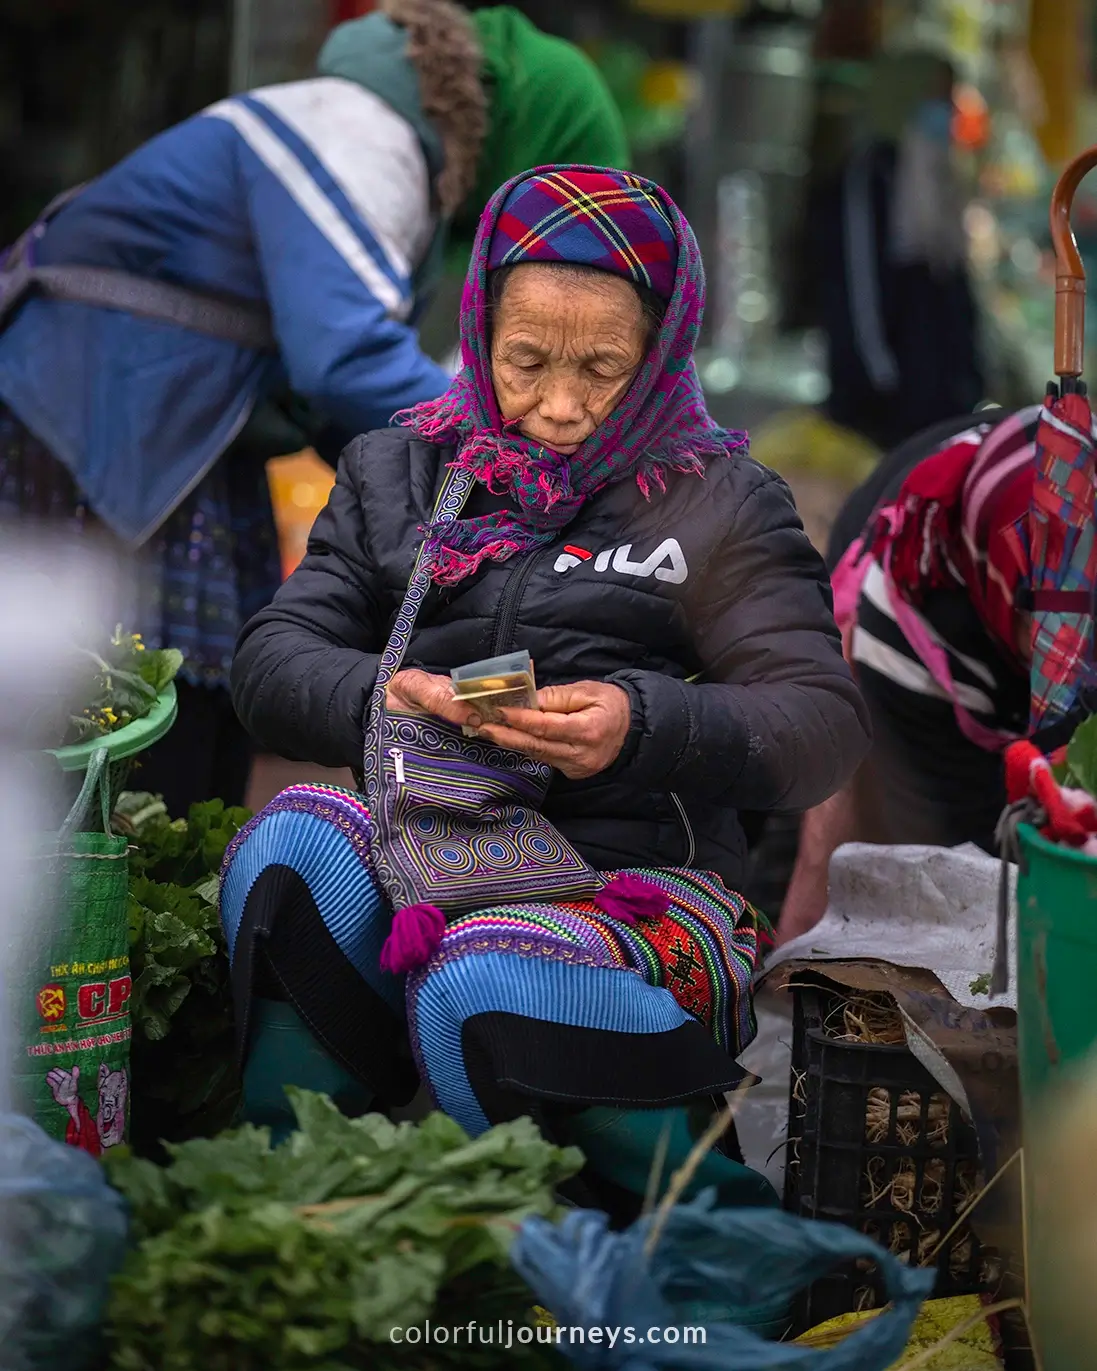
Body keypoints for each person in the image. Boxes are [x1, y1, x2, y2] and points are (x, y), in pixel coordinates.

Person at [223, 166, 870, 1218]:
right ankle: (303, 1199)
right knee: (294, 844)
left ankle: (712, 1241)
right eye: (524, 362)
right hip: (427, 850)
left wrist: (640, 725)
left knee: (489, 970)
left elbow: (819, 728)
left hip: (633, 891)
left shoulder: (720, 504)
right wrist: (382, 697)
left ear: (661, 352)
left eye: (602, 369)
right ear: (479, 332)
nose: (558, 408)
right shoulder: (396, 471)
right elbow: (271, 658)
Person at [0, 0, 627, 818]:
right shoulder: (359, 137)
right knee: (117, 721)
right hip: (83, 421)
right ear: (526, 139)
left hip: (165, 434)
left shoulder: (382, 147)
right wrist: (532, 453)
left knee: (196, 716)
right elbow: (347, 358)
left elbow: (351, 406)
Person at [776, 405, 1040, 946]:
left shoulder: (1074, 556)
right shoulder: (911, 612)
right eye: (1045, 622)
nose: (1068, 651)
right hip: (924, 614)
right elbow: (955, 855)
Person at [810, 49, 984, 449]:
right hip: (886, 411)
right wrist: (881, 382)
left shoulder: (939, 176)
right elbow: (859, 289)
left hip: (937, 407)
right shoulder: (869, 178)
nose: (947, 110)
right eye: (936, 98)